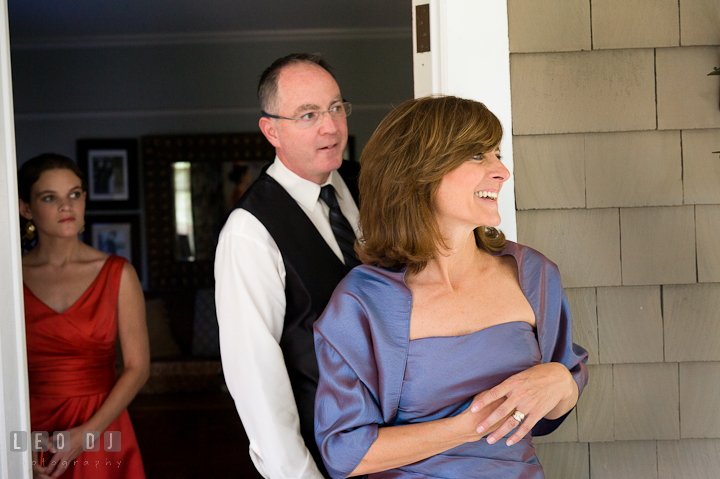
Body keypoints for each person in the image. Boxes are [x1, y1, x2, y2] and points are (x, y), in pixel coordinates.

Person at [313, 96, 589, 479]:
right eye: (478, 156)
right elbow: (345, 454)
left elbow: (559, 397)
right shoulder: (362, 302)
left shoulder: (533, 274)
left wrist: (561, 382)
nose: (502, 171)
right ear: (418, 172)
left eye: (496, 153)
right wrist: (471, 424)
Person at [214, 53, 360, 478]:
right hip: (324, 453)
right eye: (308, 114)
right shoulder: (249, 232)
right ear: (271, 129)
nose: (330, 126)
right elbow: (256, 379)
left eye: (336, 107)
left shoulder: (368, 185)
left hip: (402, 450)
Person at [19, 153, 149, 479]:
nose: (67, 206)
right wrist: (19, 447)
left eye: (74, 194)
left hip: (101, 428)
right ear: (25, 208)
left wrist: (87, 433)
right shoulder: (10, 280)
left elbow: (138, 368)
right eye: (50, 197)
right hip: (31, 429)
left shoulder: (118, 274)